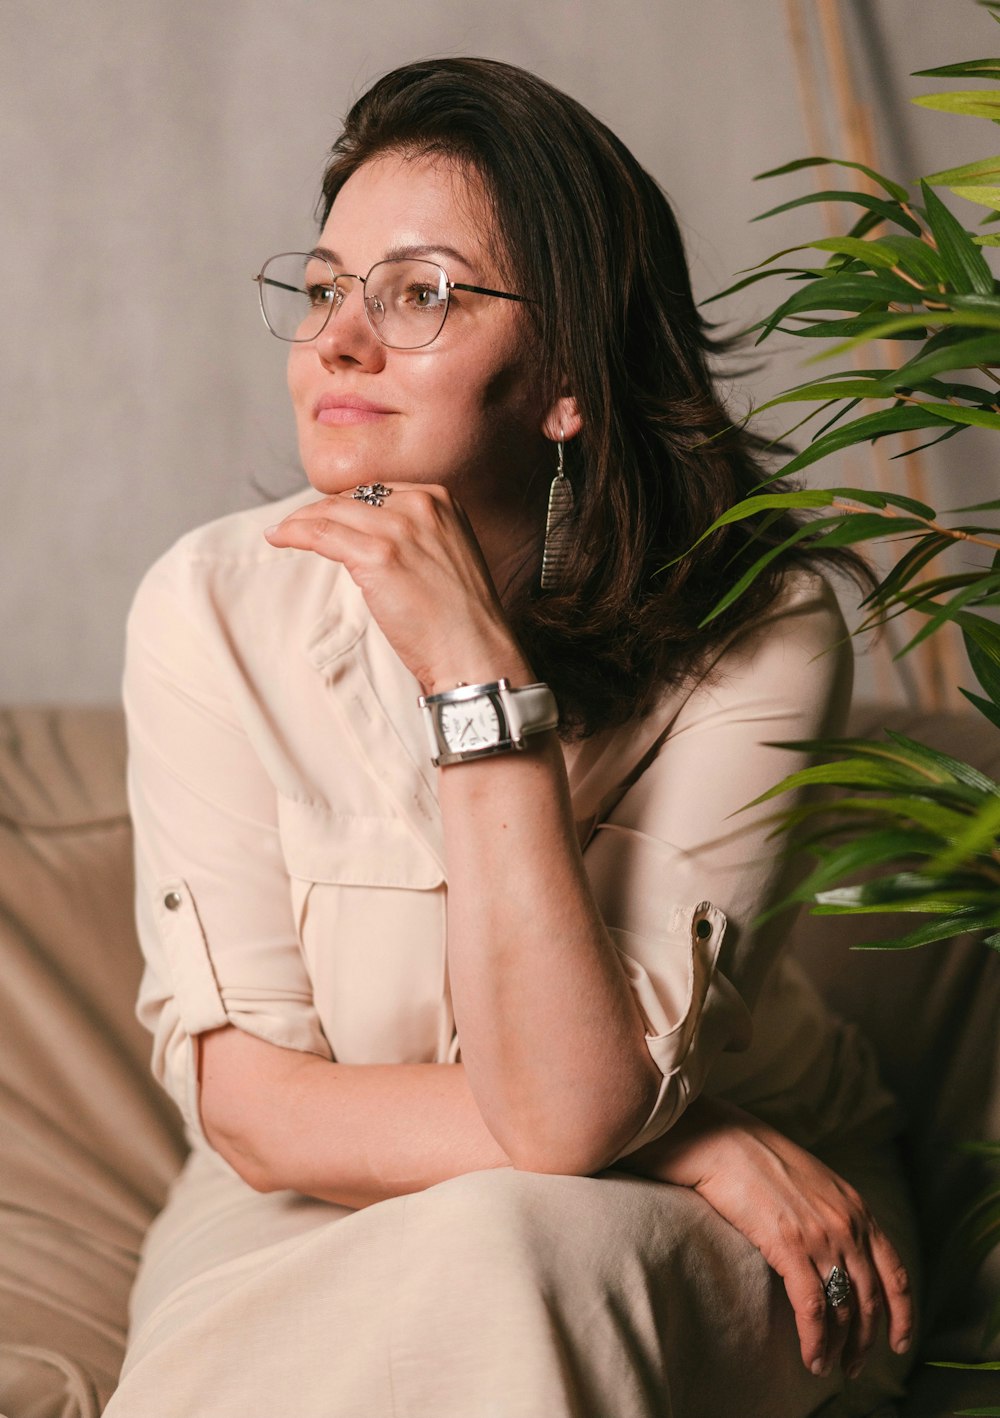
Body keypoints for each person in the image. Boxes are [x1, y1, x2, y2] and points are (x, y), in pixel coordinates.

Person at [105, 57, 917, 1418]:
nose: (340, 341)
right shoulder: (209, 605)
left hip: (747, 1222)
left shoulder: (765, 627)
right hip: (307, 1199)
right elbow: (254, 1108)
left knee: (504, 1249)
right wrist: (686, 1137)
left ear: (566, 377)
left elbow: (557, 1128)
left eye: (421, 291)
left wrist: (475, 675)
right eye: (321, 290)